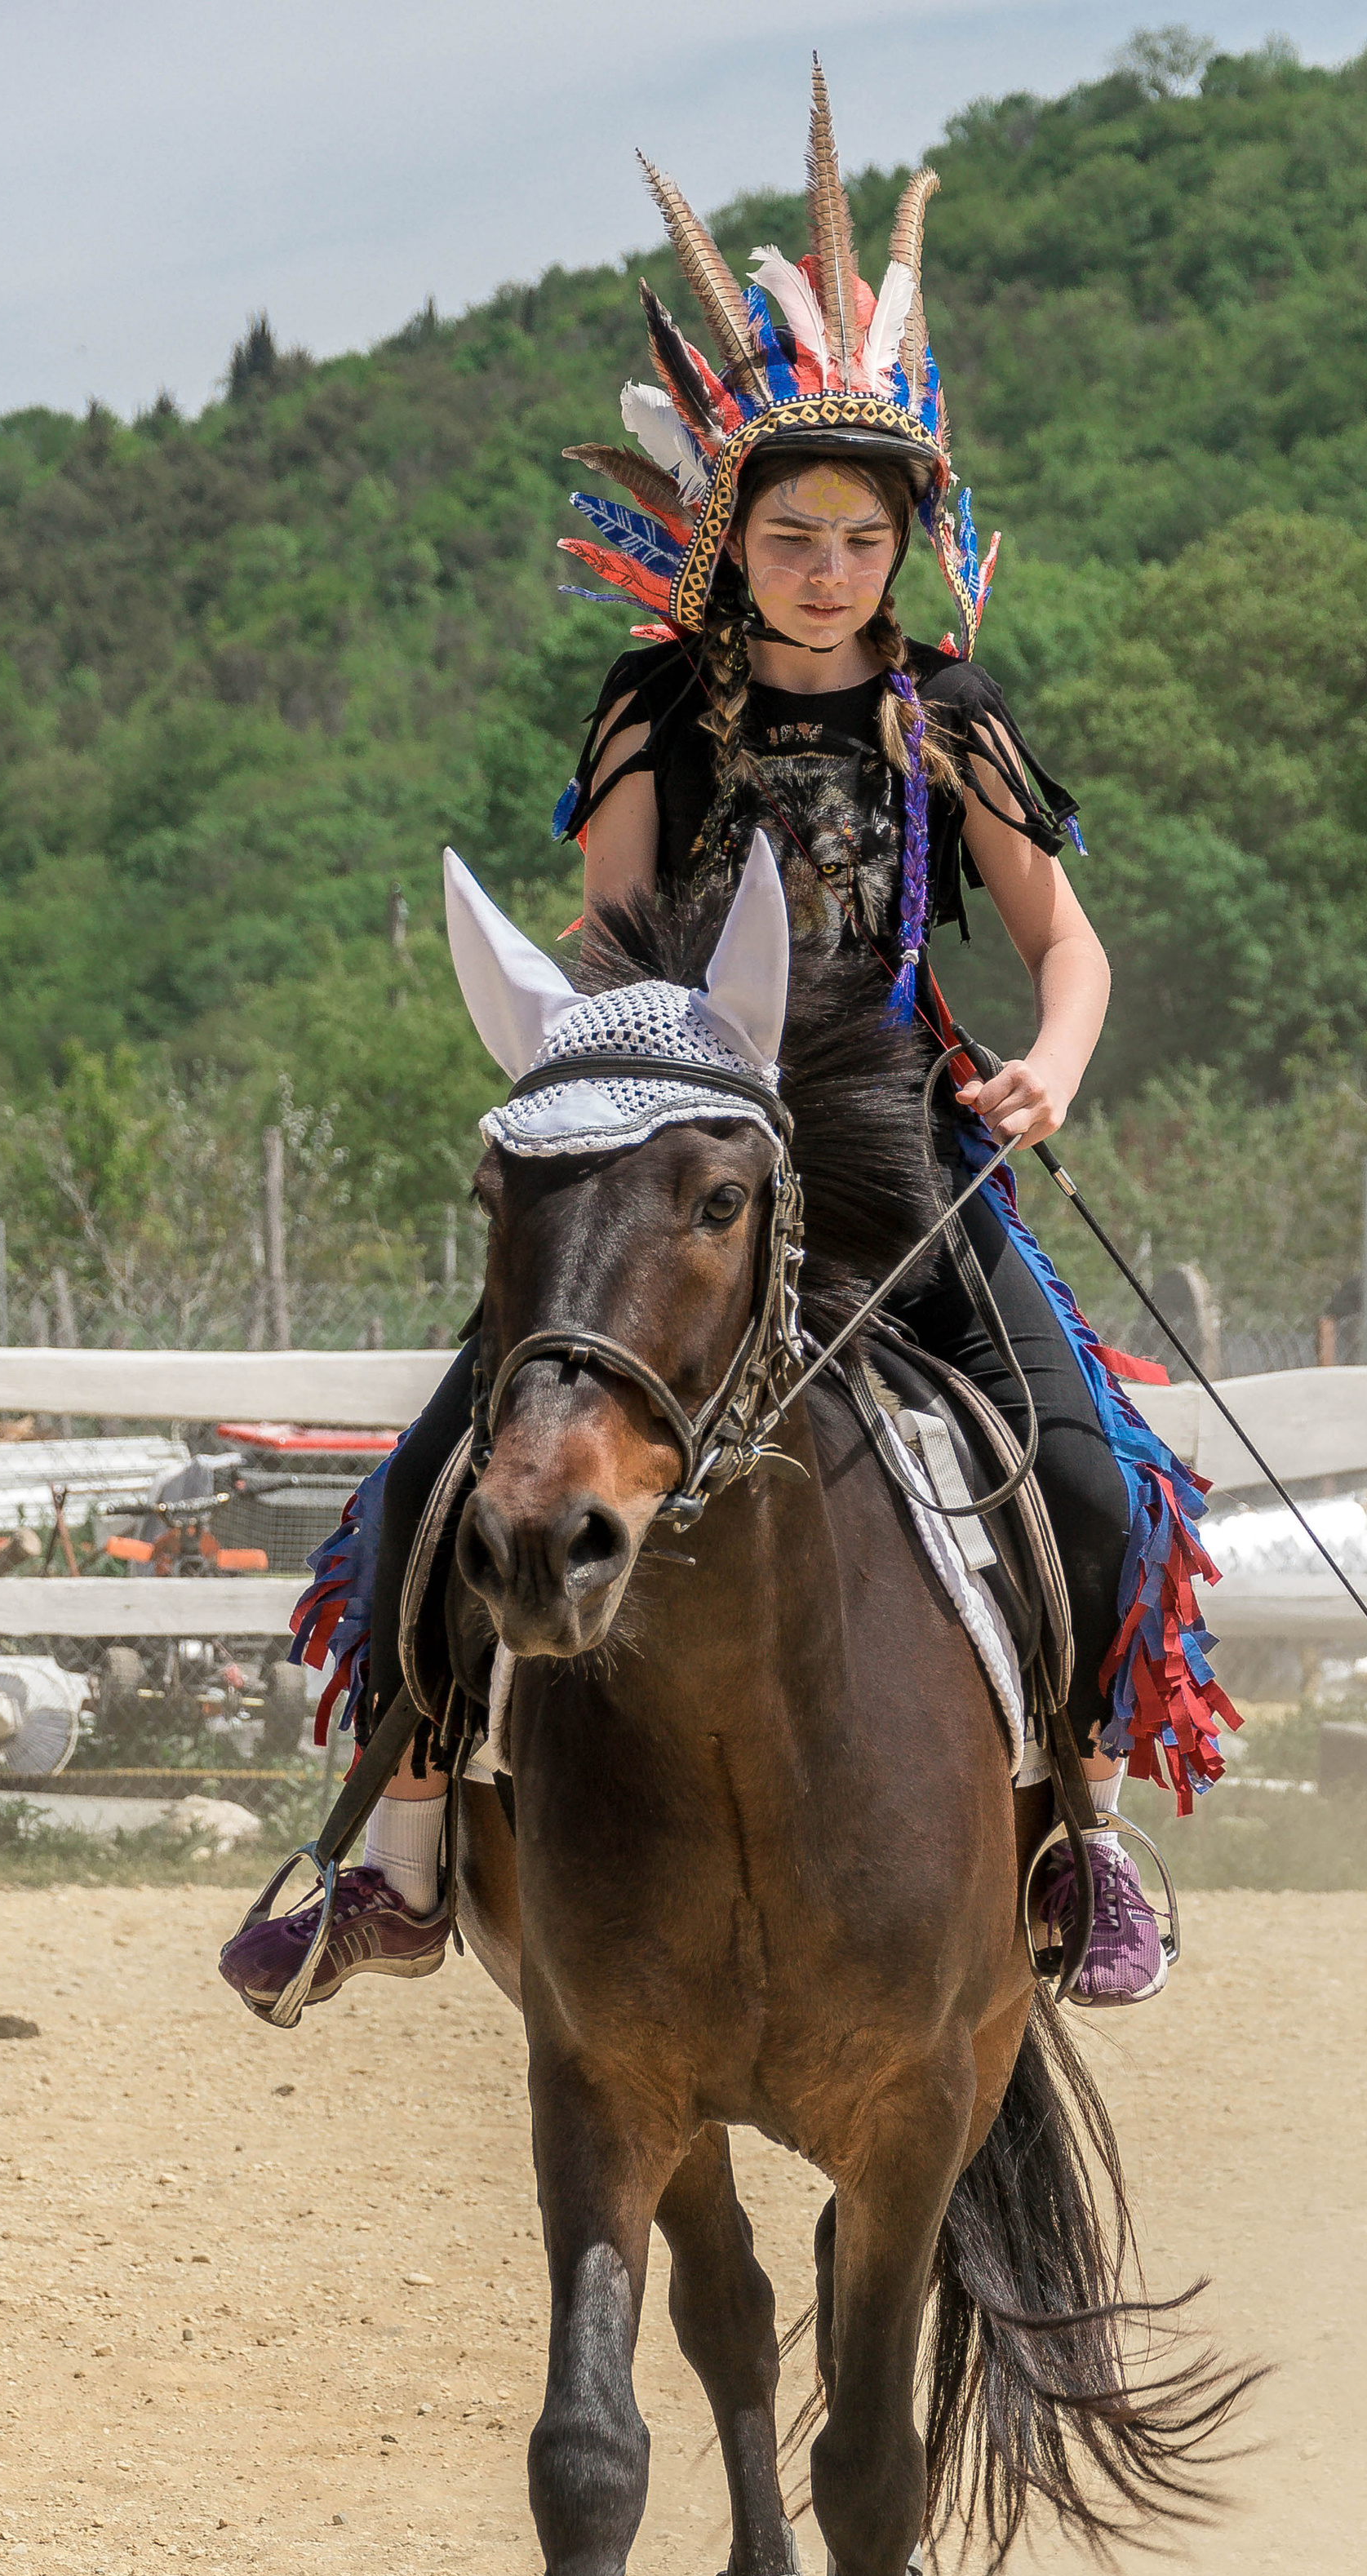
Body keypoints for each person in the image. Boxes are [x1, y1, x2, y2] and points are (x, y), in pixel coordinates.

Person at [220, 64, 1237, 2023]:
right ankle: (405, 1853)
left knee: (1093, 1477)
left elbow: (1064, 941)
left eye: (859, 535)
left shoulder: (952, 723)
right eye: (791, 534)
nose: (826, 566)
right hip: (673, 1143)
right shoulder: (647, 710)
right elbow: (612, 932)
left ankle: (1081, 1839)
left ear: (902, 545)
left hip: (897, 1152)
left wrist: (1054, 1062)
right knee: (439, 1475)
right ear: (732, 536)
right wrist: (590, 1087)